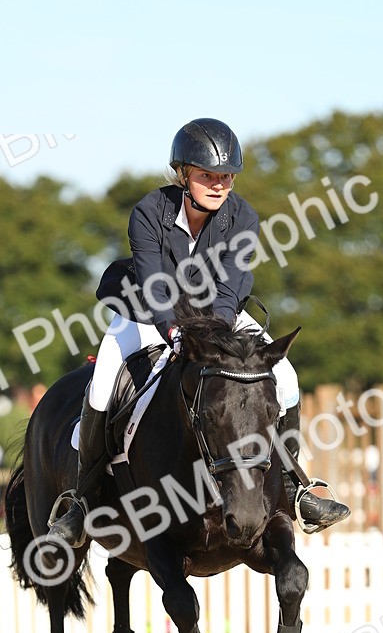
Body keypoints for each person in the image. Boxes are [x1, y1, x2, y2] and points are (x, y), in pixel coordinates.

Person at [47, 117, 350, 549]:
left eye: (225, 176)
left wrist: (215, 341)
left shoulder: (242, 216)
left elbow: (228, 288)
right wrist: (175, 336)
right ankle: (82, 500)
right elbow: (153, 285)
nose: (218, 184)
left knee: (287, 379)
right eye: (207, 175)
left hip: (218, 319)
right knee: (101, 385)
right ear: (183, 174)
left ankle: (295, 489)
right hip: (147, 314)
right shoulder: (149, 212)